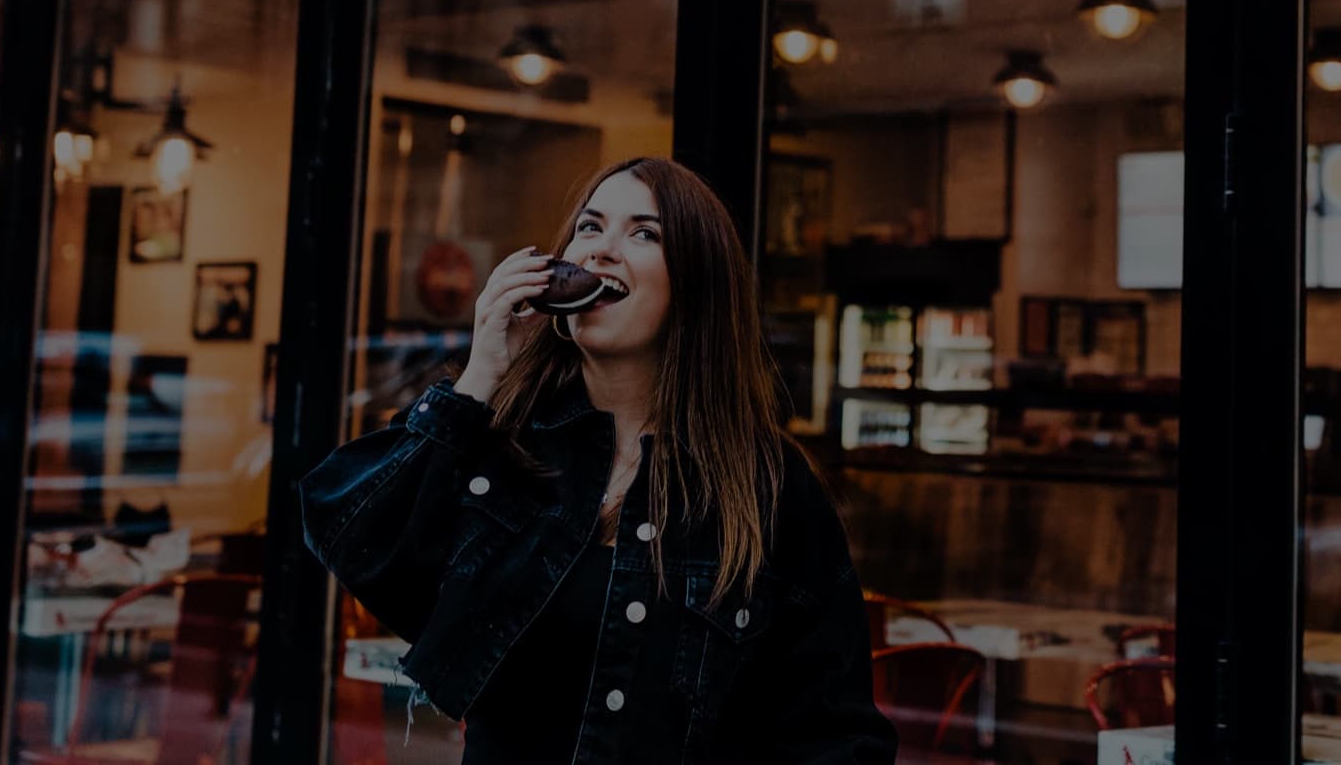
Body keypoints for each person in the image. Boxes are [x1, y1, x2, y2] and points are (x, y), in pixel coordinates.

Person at [300, 157, 896, 765]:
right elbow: (348, 535)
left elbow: (836, 738)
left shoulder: (766, 487)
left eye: (644, 233)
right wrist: (478, 377)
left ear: (697, 283)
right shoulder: (504, 445)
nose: (601, 250)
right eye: (589, 227)